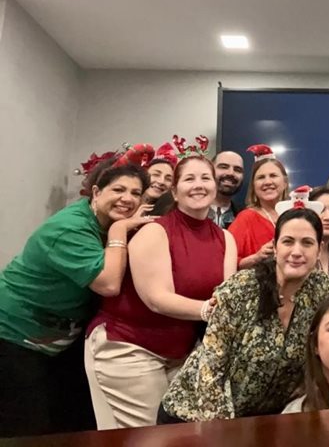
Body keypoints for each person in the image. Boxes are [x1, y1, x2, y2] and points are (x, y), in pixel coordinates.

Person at [0, 156, 151, 437]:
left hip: (59, 340)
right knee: (25, 425)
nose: (127, 199)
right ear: (96, 192)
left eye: (135, 193)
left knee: (68, 419)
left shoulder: (105, 223)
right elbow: (108, 284)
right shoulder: (70, 228)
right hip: (14, 333)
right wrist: (119, 231)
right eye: (118, 190)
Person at [84, 156, 238, 429]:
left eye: (205, 178)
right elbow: (157, 298)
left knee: (182, 433)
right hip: (128, 346)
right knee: (148, 437)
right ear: (175, 192)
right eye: (189, 179)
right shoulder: (154, 231)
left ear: (215, 187)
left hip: (180, 353)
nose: (198, 185)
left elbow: (226, 294)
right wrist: (209, 310)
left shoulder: (225, 238)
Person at [158, 208, 329, 422]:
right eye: (288, 241)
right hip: (193, 416)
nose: (297, 251)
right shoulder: (241, 289)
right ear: (274, 246)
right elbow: (211, 370)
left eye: (307, 243)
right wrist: (223, 434)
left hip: (260, 421)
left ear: (319, 249)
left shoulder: (324, 293)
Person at [228, 145, 290, 269]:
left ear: (284, 182)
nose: (267, 182)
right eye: (261, 177)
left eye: (273, 176)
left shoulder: (297, 215)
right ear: (254, 186)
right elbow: (226, 262)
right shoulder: (245, 219)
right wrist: (257, 257)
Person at [208, 150, 245, 229]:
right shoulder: (188, 212)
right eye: (223, 167)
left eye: (237, 170)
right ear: (209, 170)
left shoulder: (245, 217)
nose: (231, 173)